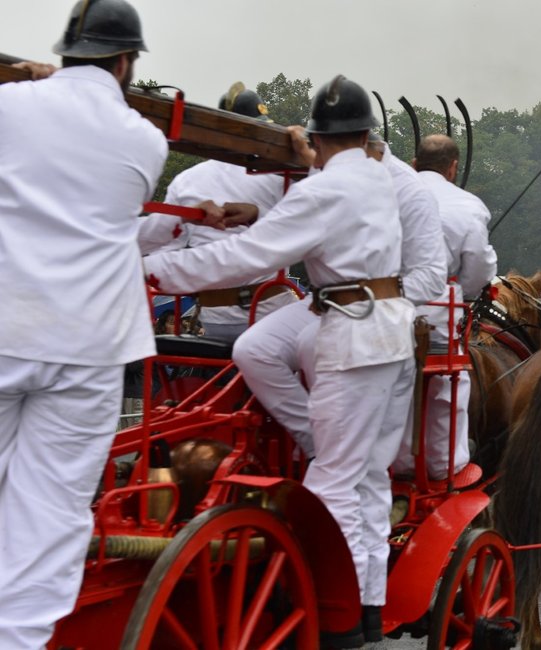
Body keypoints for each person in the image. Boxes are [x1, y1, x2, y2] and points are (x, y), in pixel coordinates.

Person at [142, 74, 414, 648]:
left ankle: (332, 615)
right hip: (387, 333)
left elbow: (247, 258)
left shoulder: (324, 190)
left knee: (333, 481)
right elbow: (310, 213)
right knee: (365, 479)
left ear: (316, 137)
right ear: (365, 134)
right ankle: (366, 605)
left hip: (353, 332)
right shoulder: (372, 176)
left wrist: (152, 272)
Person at [0, 2, 168, 646]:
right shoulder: (145, 139)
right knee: (51, 516)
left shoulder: (12, 103)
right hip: (90, 344)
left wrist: (26, 83)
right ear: (126, 63)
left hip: (9, 323)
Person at [231, 134, 447, 461]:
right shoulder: (328, 176)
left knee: (312, 342)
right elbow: (304, 229)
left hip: (380, 310)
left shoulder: (411, 192)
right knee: (252, 350)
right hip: (319, 302)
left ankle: (346, 455)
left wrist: (364, 297)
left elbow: (431, 277)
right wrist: (258, 215)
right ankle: (318, 444)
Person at [140, 82, 297, 342]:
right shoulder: (281, 176)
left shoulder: (186, 180)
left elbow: (165, 246)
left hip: (215, 315)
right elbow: (300, 233)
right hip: (269, 312)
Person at [389, 134, 497, 479]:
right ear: (452, 168)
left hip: (377, 312)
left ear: (414, 163)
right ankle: (446, 463)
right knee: (452, 386)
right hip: (435, 318)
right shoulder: (469, 206)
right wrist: (458, 291)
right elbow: (479, 271)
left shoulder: (388, 193)